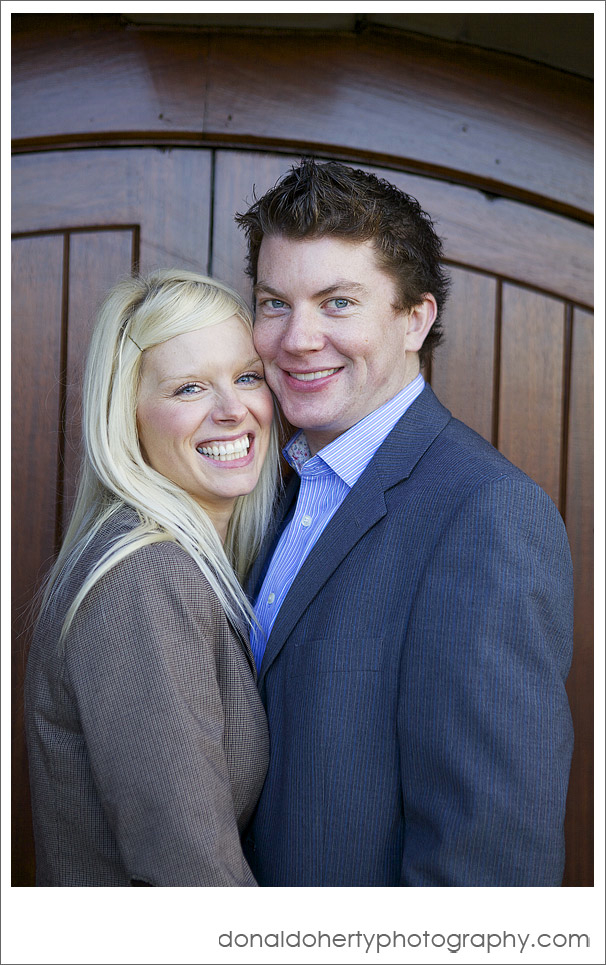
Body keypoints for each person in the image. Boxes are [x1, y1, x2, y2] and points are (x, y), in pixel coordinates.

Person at [235, 158, 574, 887]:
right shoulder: (278, 489)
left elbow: (490, 863)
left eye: (338, 303)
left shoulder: (485, 513)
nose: (297, 338)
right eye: (274, 303)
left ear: (415, 318)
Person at [25, 268, 279, 886]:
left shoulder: (201, 564)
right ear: (128, 416)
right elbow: (189, 872)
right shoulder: (145, 574)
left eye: (247, 377)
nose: (233, 410)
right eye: (189, 388)